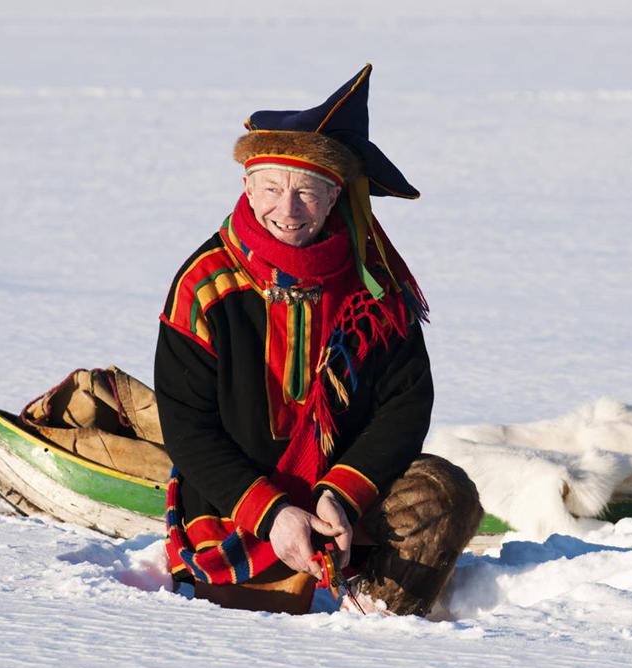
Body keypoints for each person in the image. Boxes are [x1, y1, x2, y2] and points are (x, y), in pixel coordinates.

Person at [154, 64, 483, 616]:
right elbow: (188, 428)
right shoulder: (205, 284)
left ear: (335, 198)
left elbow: (405, 405)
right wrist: (274, 511)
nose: (287, 209)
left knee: (446, 493)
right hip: (240, 501)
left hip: (343, 499)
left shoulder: (373, 283)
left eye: (307, 191)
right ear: (247, 187)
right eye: (273, 188)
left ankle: (373, 615)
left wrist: (342, 495)